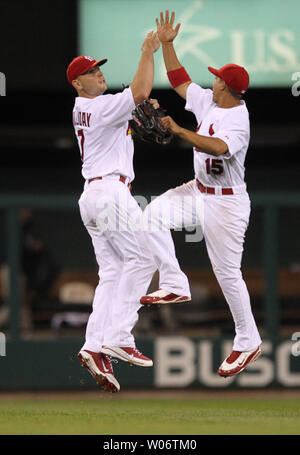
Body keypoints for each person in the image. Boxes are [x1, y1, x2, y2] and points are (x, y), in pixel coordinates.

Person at [140, 11, 262, 378]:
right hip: (200, 190)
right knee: (152, 216)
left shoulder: (238, 118)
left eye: (218, 78)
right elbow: (179, 80)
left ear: (227, 86)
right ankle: (174, 281)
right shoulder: (211, 100)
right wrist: (168, 44)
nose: (213, 81)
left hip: (226, 202)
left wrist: (178, 129)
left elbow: (218, 148)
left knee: (227, 273)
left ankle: (248, 340)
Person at [66, 31, 160, 392]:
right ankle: (120, 336)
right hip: (109, 192)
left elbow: (132, 107)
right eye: (91, 71)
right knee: (144, 258)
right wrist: (148, 50)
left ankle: (93, 346)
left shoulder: (92, 109)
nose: (99, 73)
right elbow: (139, 92)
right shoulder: (96, 106)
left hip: (94, 195)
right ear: (77, 82)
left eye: (99, 69)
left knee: (112, 272)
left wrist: (133, 120)